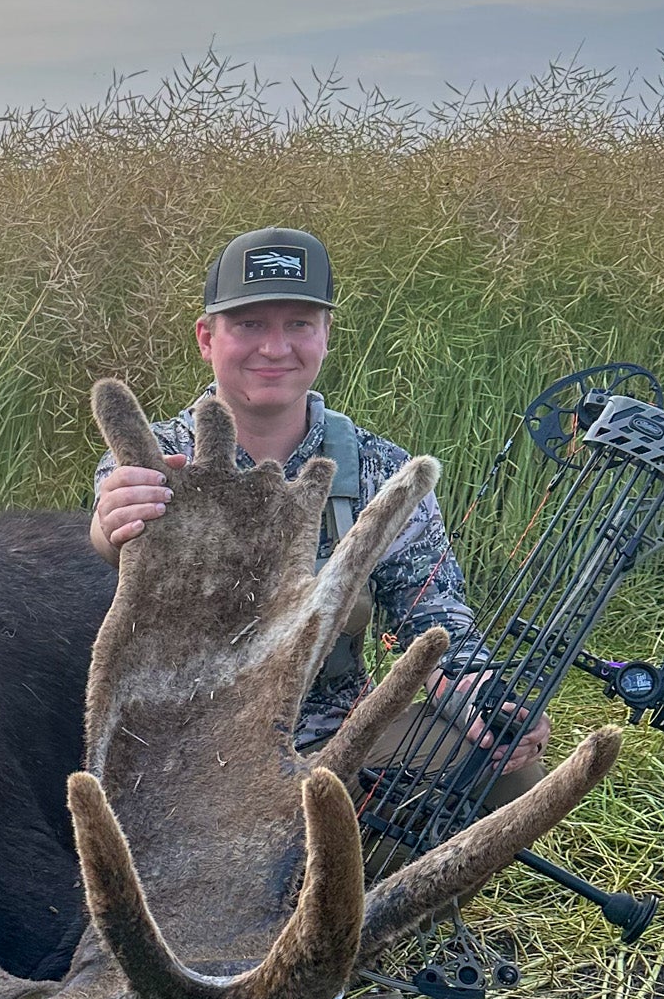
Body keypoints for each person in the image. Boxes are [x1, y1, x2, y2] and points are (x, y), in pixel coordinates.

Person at [91, 226, 551, 793]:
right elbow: (107, 555)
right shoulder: (151, 458)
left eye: (298, 325)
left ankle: (382, 877)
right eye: (250, 324)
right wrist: (108, 530)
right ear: (207, 338)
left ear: (326, 335)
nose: (275, 348)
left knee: (509, 770)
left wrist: (482, 697)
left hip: (328, 740)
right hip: (179, 751)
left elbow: (433, 619)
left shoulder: (381, 470)